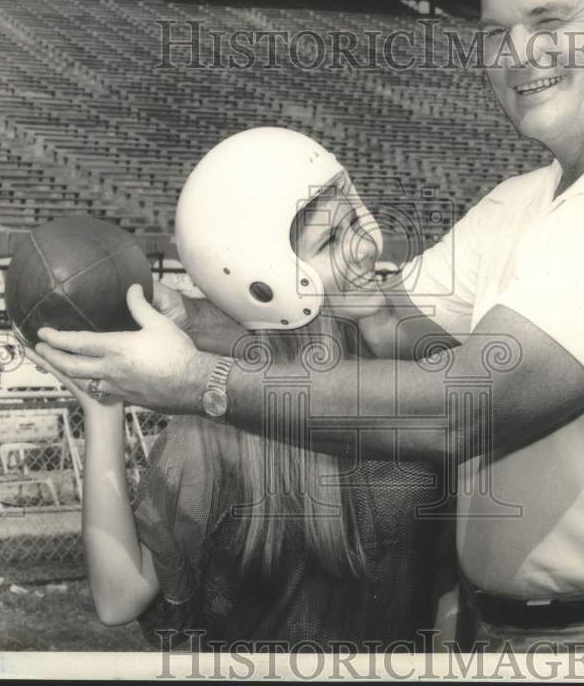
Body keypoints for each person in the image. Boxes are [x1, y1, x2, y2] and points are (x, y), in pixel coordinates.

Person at [35, 0, 584, 654]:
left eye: (550, 21)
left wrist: (200, 380)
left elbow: (464, 408)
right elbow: (353, 315)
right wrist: (181, 312)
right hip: (519, 633)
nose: (519, 53)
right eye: (496, 31)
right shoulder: (522, 202)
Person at [30, 128, 449, 651]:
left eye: (355, 220)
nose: (367, 245)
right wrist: (102, 405)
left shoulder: (221, 413)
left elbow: (120, 597)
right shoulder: (219, 423)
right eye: (332, 240)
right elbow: (119, 597)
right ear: (268, 278)